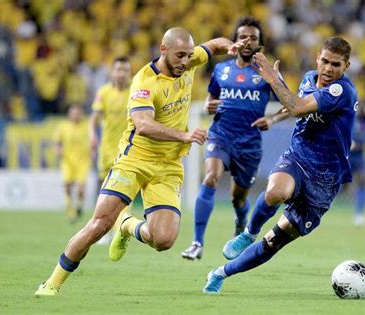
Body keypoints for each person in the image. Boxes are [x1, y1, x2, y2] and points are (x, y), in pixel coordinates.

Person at [35, 27, 249, 296]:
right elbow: (144, 125)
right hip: (135, 160)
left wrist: (230, 46)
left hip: (168, 167)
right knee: (99, 224)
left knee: (164, 240)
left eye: (188, 55)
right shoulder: (145, 81)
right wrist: (184, 135)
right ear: (163, 50)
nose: (185, 61)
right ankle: (52, 283)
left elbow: (215, 45)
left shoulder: (190, 59)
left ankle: (127, 226)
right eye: (179, 55)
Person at [203, 37, 358, 293]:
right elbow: (296, 103)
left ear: (346, 66)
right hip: (299, 156)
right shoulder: (310, 77)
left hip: (325, 179)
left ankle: (220, 273)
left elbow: (297, 106)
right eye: (325, 61)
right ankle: (248, 233)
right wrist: (275, 116)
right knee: (277, 192)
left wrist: (273, 80)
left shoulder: (341, 91)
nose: (329, 69)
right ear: (318, 57)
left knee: (274, 241)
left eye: (336, 64)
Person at [181, 16, 289, 261]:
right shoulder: (221, 69)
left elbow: (290, 104)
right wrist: (209, 106)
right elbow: (211, 100)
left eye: (253, 38)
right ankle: (197, 243)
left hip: (249, 145)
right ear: (235, 40)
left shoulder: (266, 73)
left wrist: (271, 120)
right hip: (221, 136)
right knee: (210, 178)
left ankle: (241, 223)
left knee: (237, 197)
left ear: (260, 44)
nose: (247, 41)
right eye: (243, 37)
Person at [89, 57, 132, 245]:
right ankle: (104, 230)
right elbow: (94, 119)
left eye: (125, 70)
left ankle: (121, 227)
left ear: (129, 73)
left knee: (122, 193)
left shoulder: (135, 92)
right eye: (118, 69)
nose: (121, 73)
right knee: (103, 192)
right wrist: (92, 135)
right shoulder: (104, 92)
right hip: (107, 150)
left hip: (129, 151)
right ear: (112, 72)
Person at [53, 104, 90, 223]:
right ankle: (70, 211)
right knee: (68, 186)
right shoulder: (63, 126)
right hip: (67, 161)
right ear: (69, 114)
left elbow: (94, 139)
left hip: (82, 161)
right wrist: (57, 149)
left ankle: (79, 206)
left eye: (78, 113)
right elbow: (56, 142)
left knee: (80, 189)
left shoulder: (87, 125)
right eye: (73, 113)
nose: (76, 115)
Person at [348, 102, 365, 226]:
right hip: (347, 157)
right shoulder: (348, 119)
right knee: (337, 186)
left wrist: (361, 145)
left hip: (360, 157)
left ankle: (359, 214)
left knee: (363, 183)